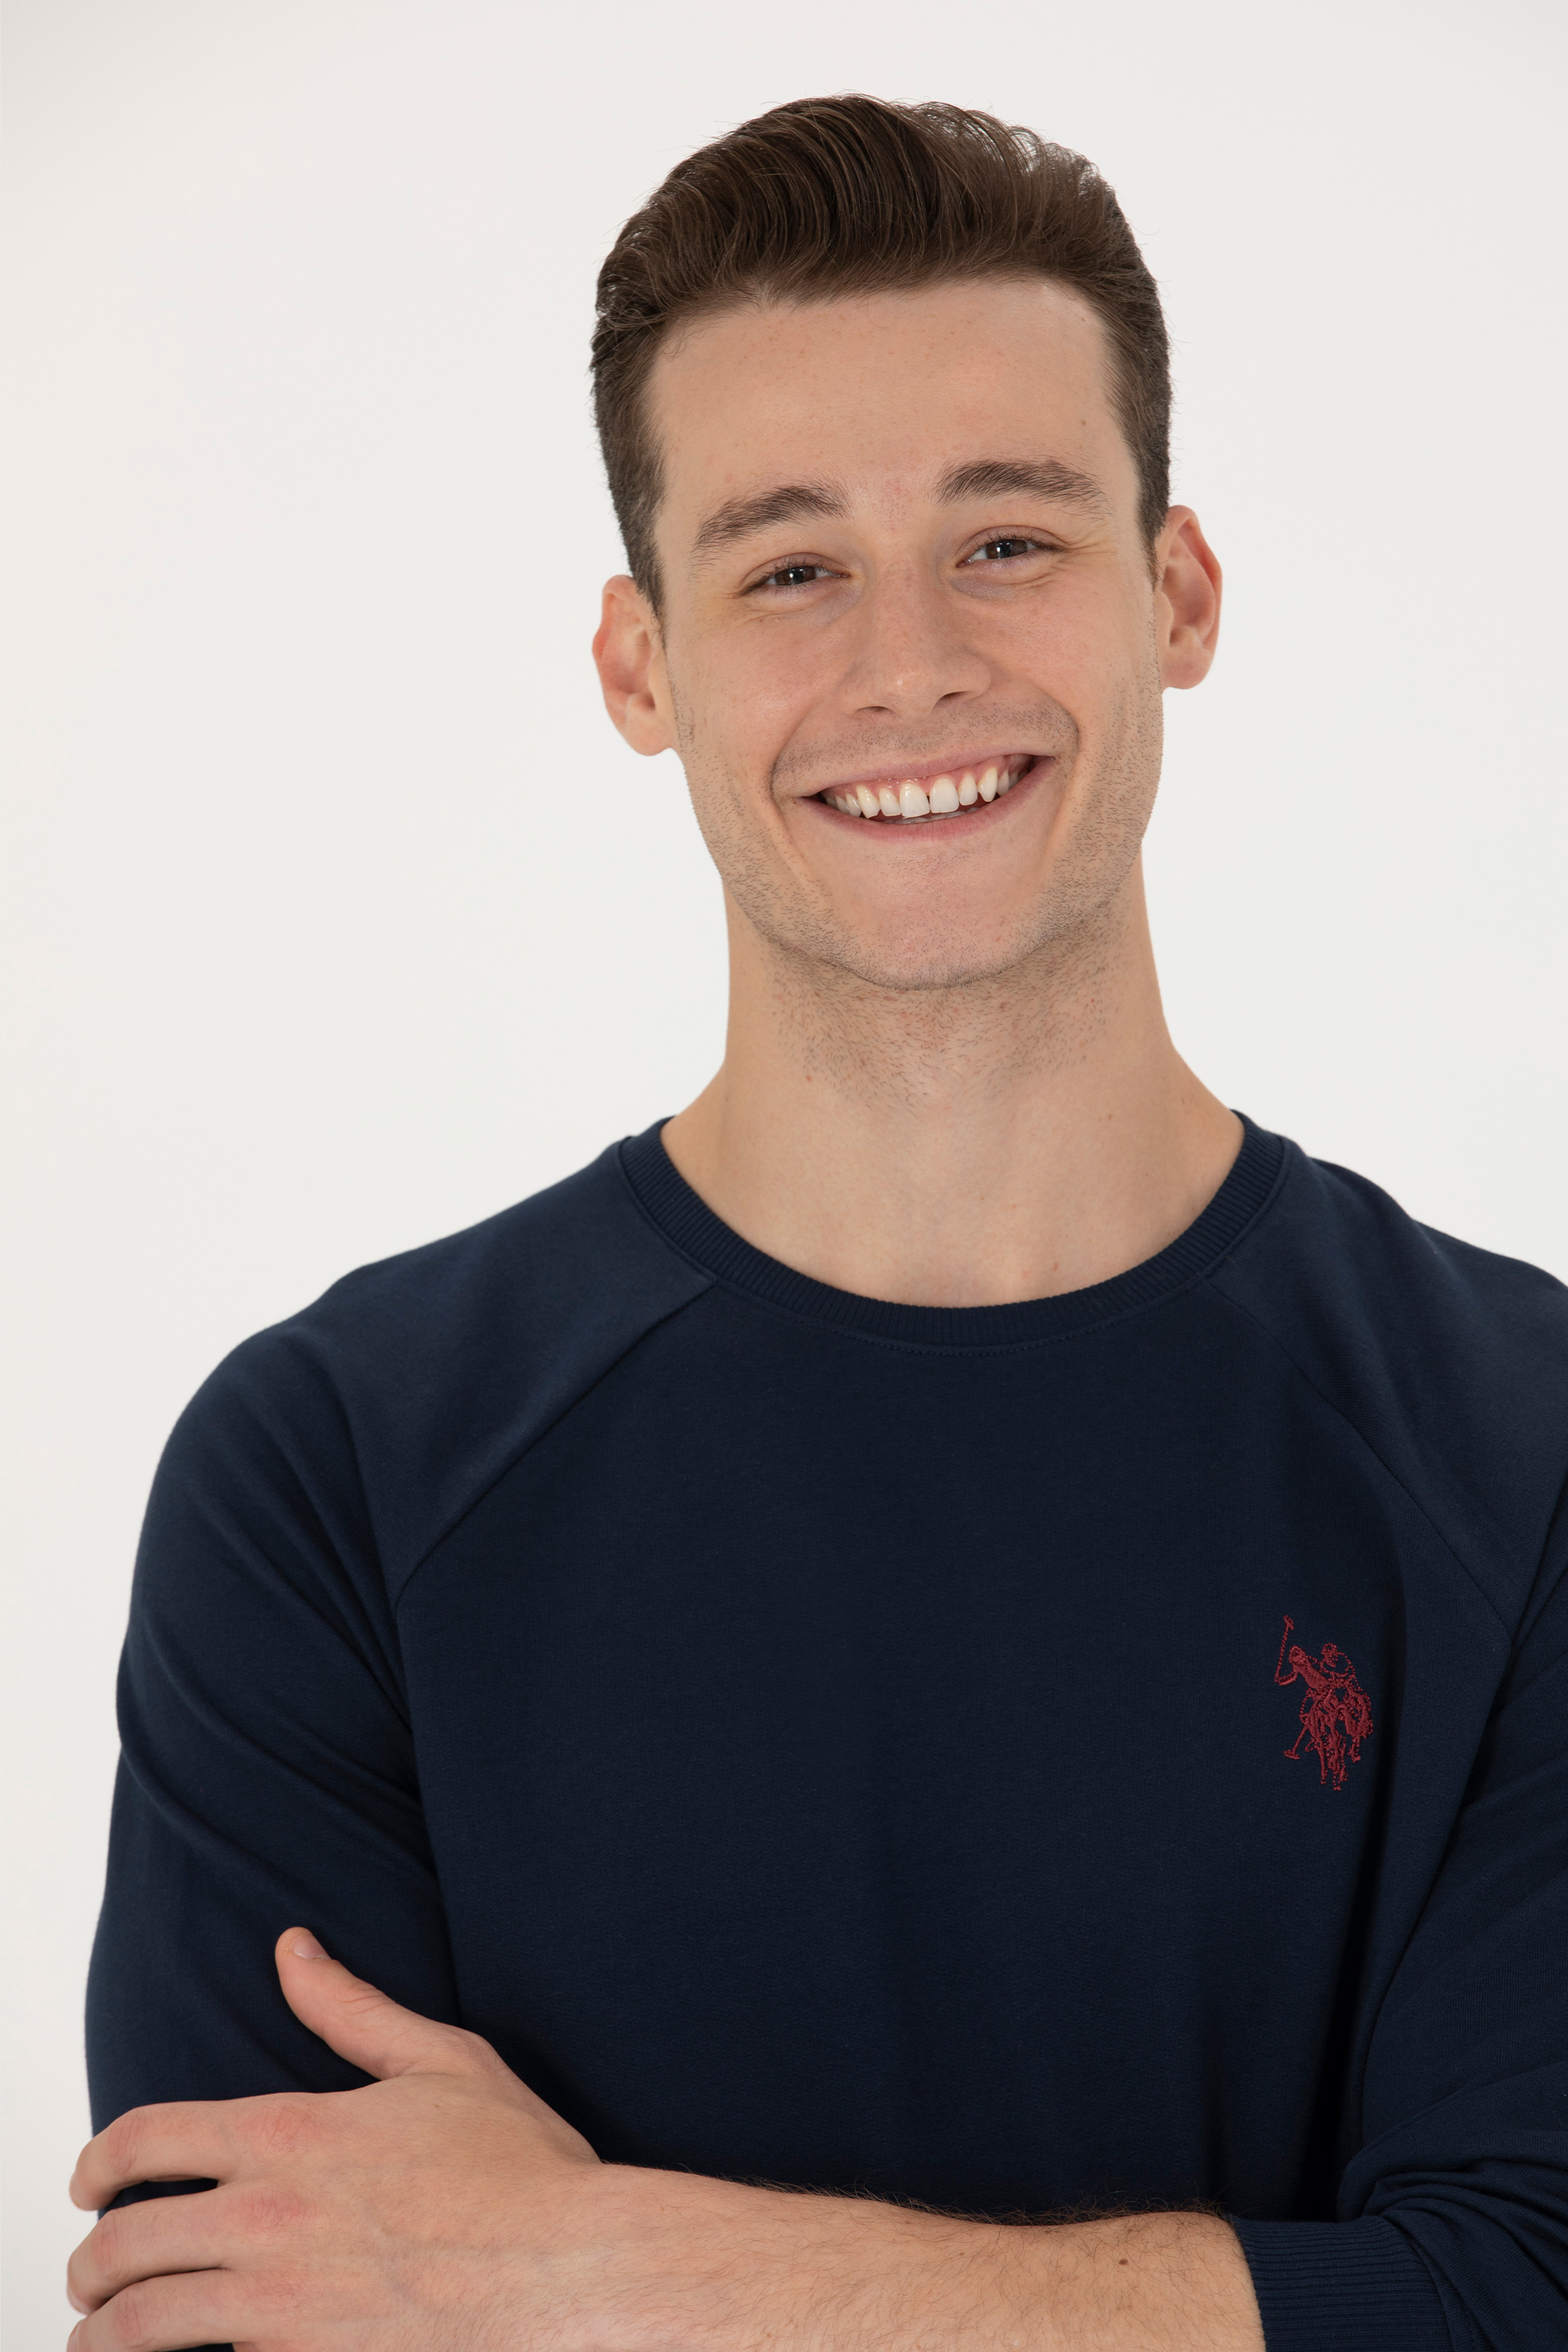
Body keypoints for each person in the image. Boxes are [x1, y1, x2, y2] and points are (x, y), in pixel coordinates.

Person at [67, 95, 1568, 2352]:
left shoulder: (1525, 1451)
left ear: (1175, 596)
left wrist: (584, 2271)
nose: (909, 666)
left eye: (1006, 539)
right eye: (786, 568)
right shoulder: (338, 1476)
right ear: (639, 664)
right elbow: (234, 2310)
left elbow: (1527, 2292)